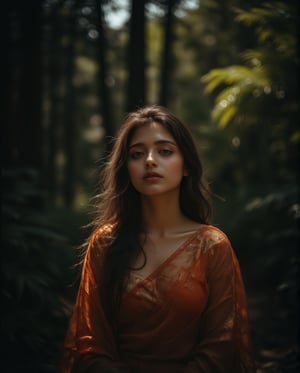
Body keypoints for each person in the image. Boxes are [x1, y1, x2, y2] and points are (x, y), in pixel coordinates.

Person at [60, 105, 256, 373]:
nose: (150, 161)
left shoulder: (212, 245)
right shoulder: (105, 242)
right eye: (137, 154)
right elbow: (90, 343)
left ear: (186, 165)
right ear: (126, 168)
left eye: (165, 151)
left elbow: (223, 344)